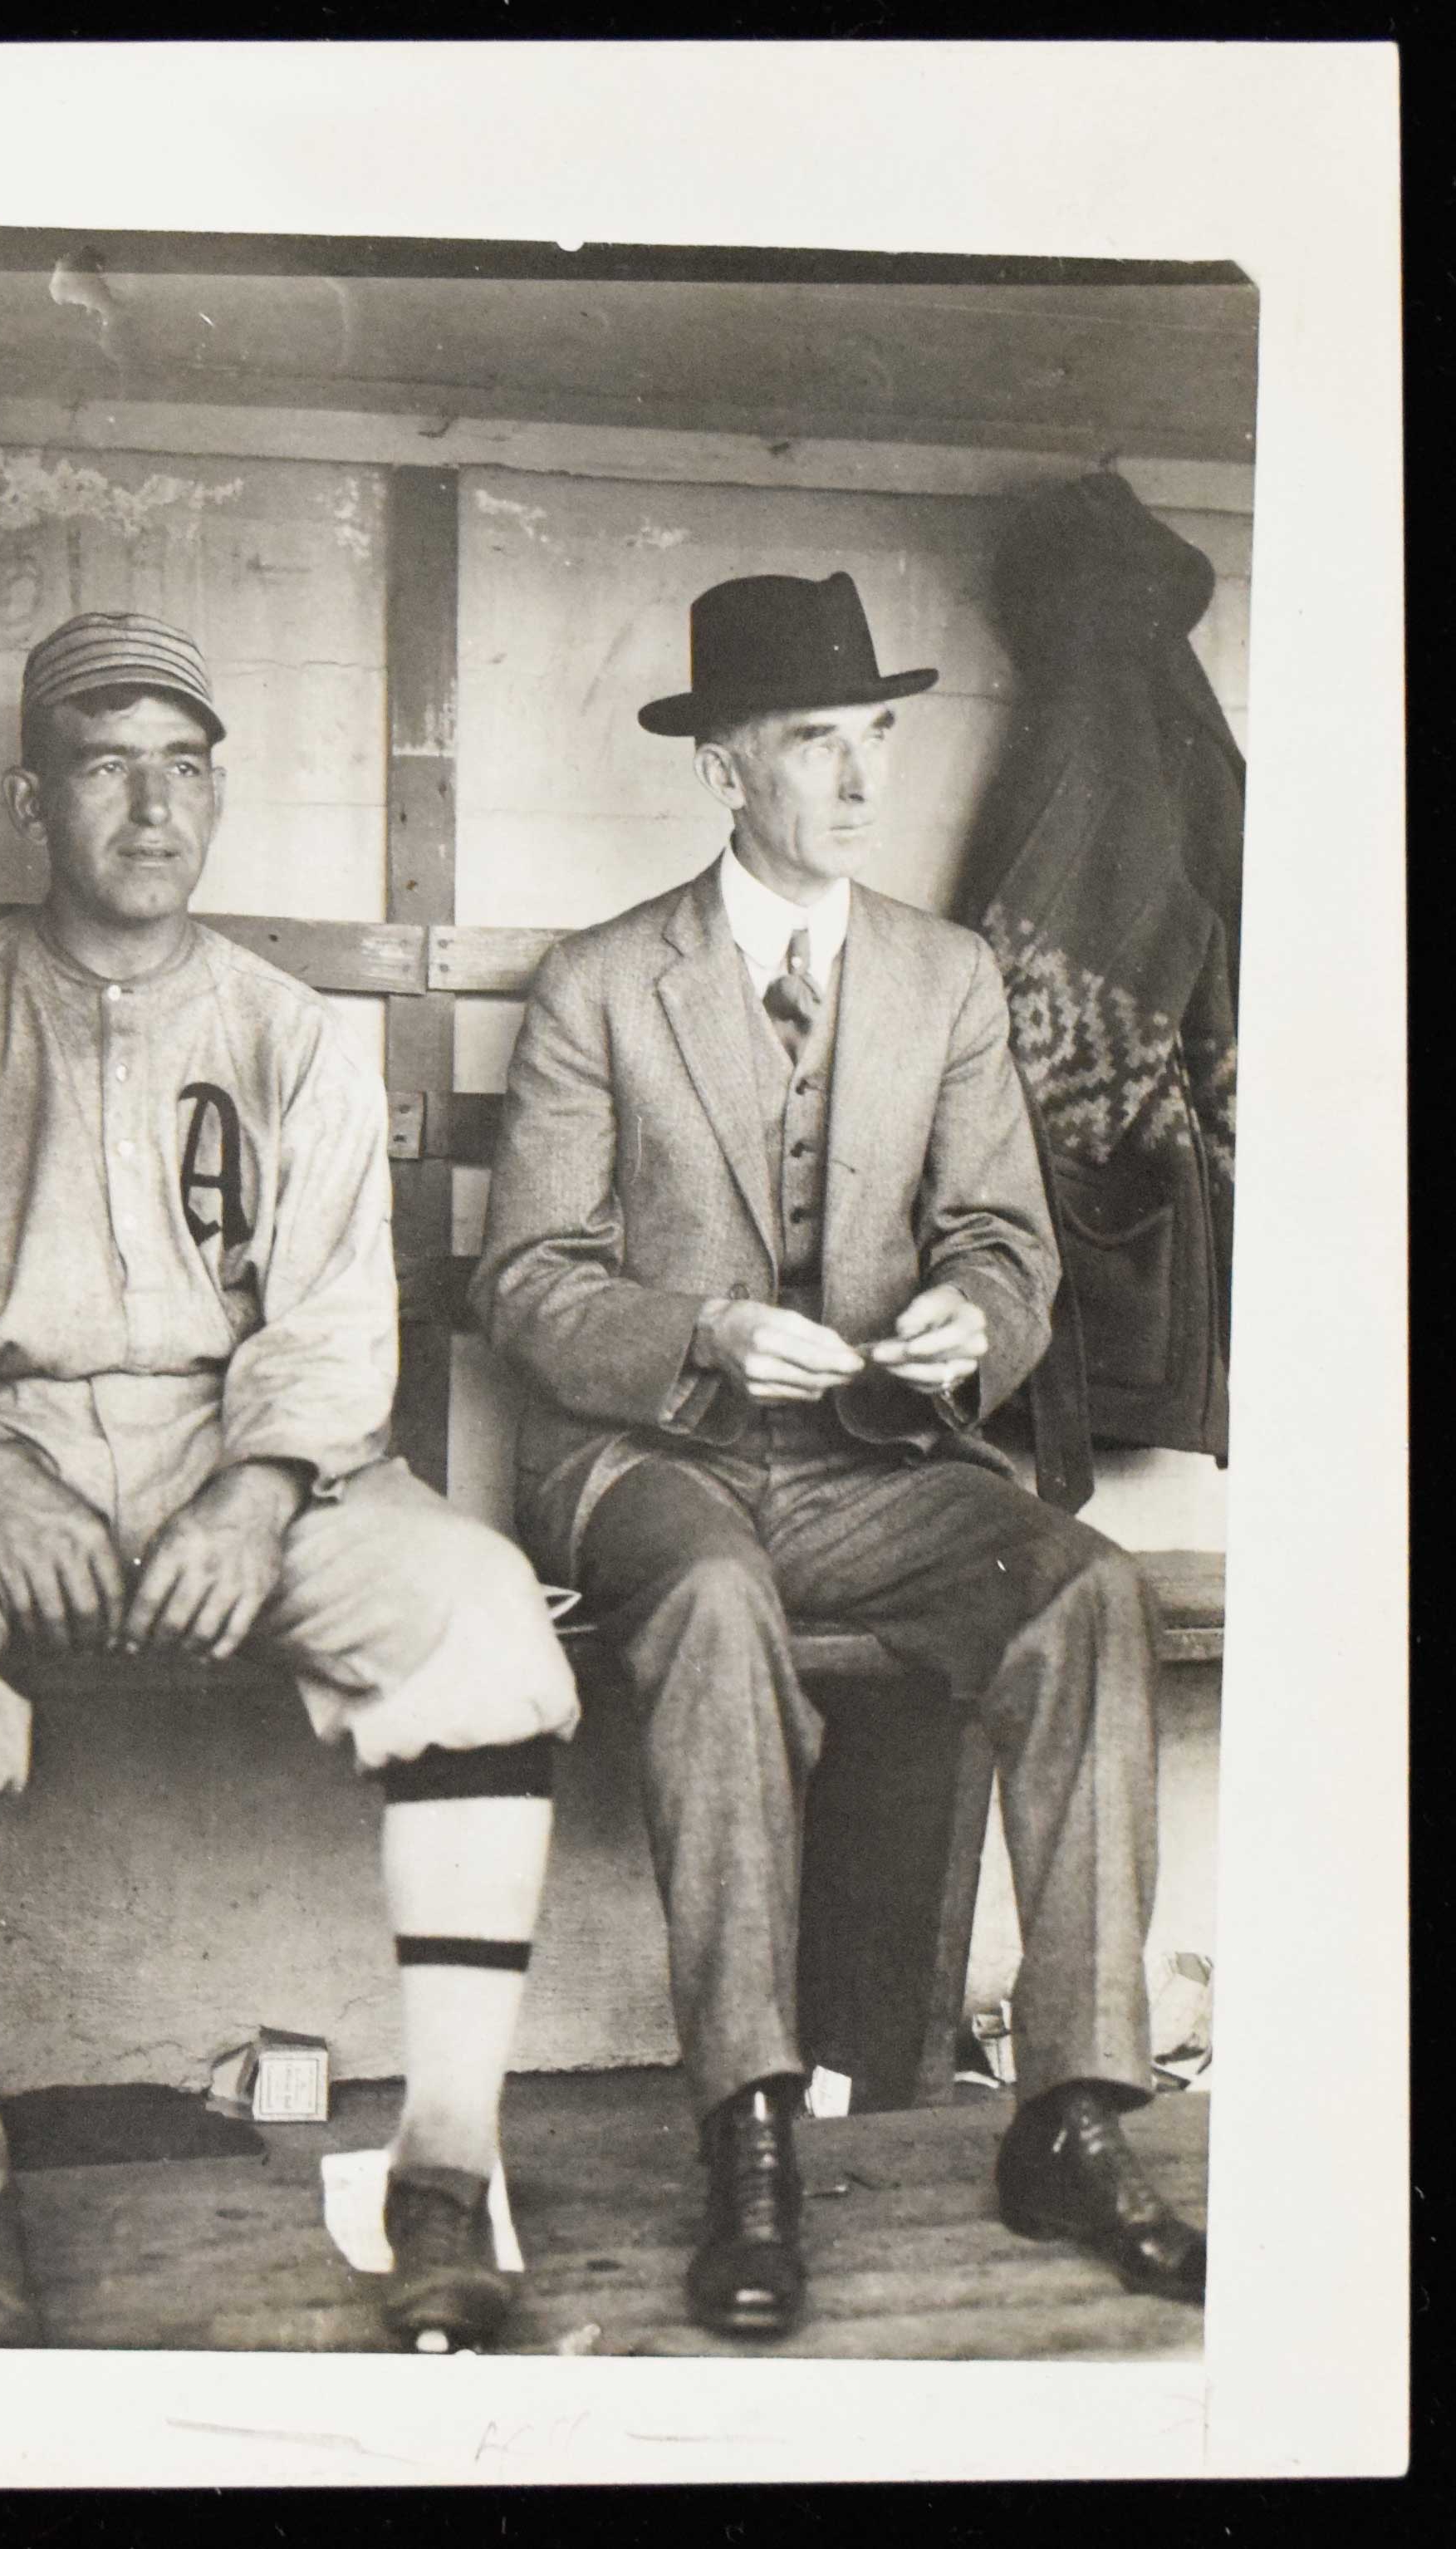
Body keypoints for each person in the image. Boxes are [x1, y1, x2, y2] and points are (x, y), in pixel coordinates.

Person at [0, 611, 580, 2352]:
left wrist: (259, 1484)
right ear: (33, 797)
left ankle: (447, 2164)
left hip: (246, 1453)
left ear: (217, 793)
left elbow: (336, 1313)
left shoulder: (289, 1029)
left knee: (478, 1616)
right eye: (106, 765)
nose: (153, 807)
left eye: (186, 766)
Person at [472, 572, 1205, 2337]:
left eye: (877, 734)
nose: (865, 778)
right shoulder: (602, 985)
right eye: (816, 741)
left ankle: (1072, 2114)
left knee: (1085, 1595)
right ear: (723, 767)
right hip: (656, 1466)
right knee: (715, 1605)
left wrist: (972, 1317)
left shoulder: (946, 980)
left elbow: (1006, 1244)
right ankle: (751, 2128)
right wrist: (704, 1334)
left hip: (870, 1470)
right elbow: (530, 1282)